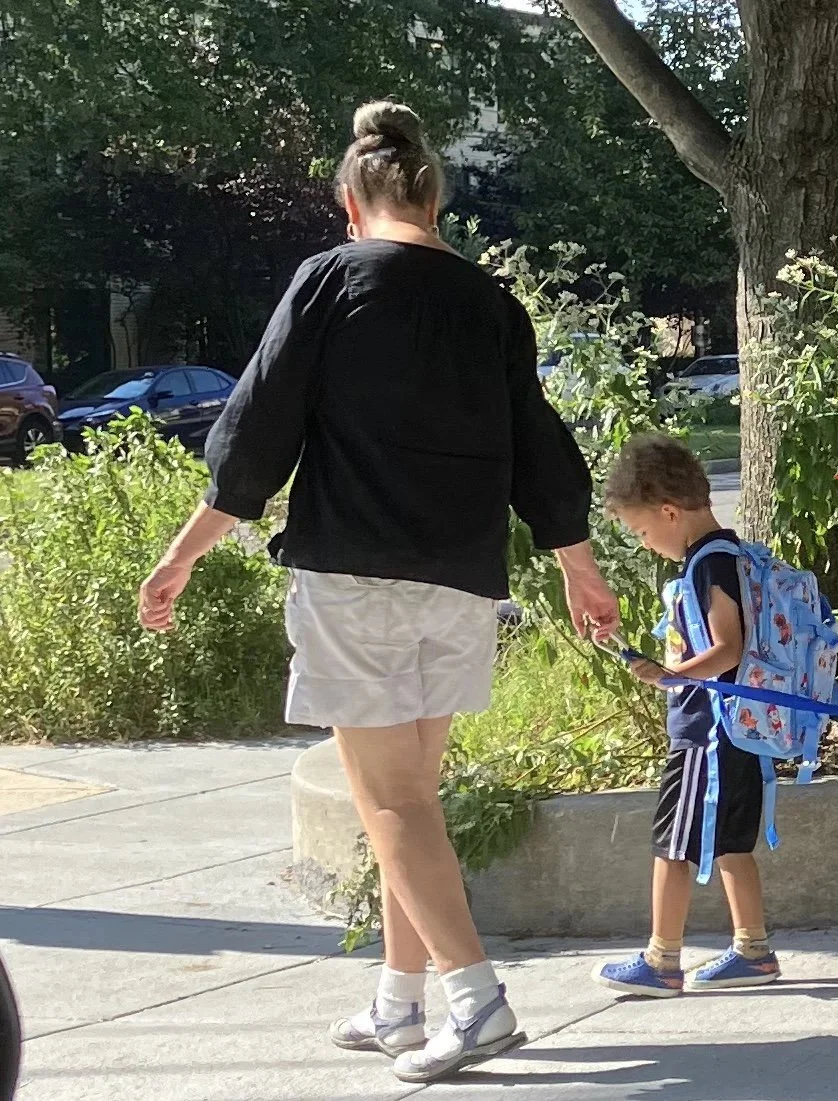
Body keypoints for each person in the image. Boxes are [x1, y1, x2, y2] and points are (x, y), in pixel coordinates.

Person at [136, 101, 620, 1084]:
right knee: (411, 803)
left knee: (392, 802)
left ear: (350, 204)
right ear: (434, 200)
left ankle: (477, 1002)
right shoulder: (491, 304)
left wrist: (182, 554)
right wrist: (581, 567)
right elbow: (540, 447)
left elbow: (256, 431)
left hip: (353, 579)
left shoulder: (331, 278)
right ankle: (399, 1001)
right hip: (461, 582)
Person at [594, 434, 783, 998]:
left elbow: (727, 647)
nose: (645, 543)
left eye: (641, 531)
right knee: (729, 842)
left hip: (707, 733)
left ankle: (662, 960)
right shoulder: (731, 552)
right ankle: (753, 950)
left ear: (669, 512)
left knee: (673, 844)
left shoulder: (708, 564)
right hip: (739, 728)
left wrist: (668, 675)